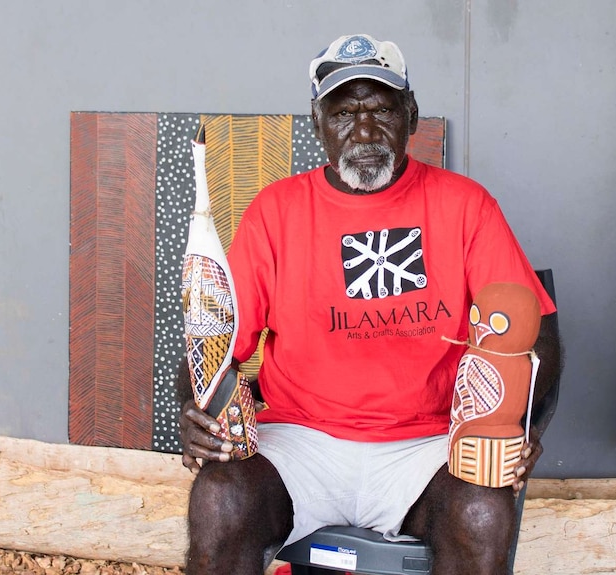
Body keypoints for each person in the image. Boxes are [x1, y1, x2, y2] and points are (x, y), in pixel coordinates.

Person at [177, 33, 562, 575]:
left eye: (381, 110)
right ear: (317, 122)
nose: (363, 131)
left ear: (412, 115)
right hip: (300, 442)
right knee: (220, 501)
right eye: (343, 113)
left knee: (481, 512)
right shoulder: (277, 212)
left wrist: (515, 423)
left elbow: (535, 327)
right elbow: (214, 344)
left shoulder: (465, 206)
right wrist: (195, 412)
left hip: (428, 443)